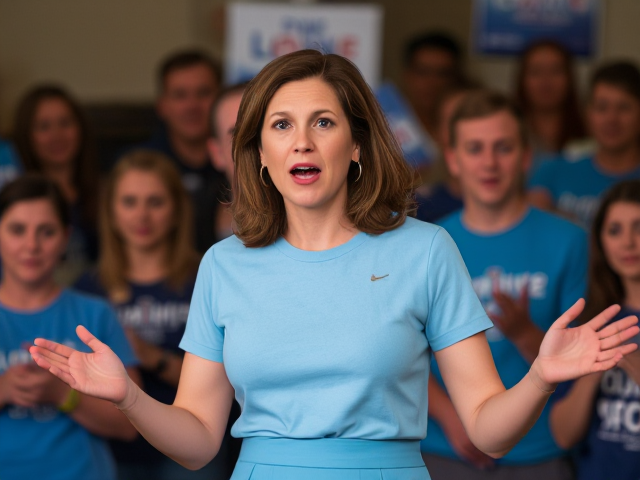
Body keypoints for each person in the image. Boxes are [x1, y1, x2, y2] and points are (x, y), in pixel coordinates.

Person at [29, 50, 639, 480]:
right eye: (281, 125)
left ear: (356, 147)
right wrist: (128, 398)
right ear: (261, 156)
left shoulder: (425, 250)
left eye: (323, 122)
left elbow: (486, 429)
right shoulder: (224, 265)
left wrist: (541, 379)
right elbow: (195, 443)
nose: (302, 141)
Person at [421, 90, 588, 479]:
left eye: (504, 148)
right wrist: (450, 416)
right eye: (475, 148)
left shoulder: (568, 240)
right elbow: (402, 355)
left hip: (539, 450)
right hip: (447, 449)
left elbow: (578, 365)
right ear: (453, 160)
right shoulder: (424, 245)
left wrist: (526, 333)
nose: (490, 163)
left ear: (526, 156)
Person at [75, 150, 236, 479]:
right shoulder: (88, 288)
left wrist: (151, 357)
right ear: (111, 211)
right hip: (112, 450)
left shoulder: (208, 275)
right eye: (129, 202)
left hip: (191, 447)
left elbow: (234, 379)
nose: (142, 215)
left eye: (156, 202)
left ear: (177, 209)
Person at [0, 174, 139, 480]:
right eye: (17, 230)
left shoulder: (95, 313)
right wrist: (3, 389)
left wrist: (63, 393)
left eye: (46, 232)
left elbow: (133, 424)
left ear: (65, 238)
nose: (31, 245)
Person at [550, 180, 640, 480]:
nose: (628, 242)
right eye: (615, 230)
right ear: (600, 241)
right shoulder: (594, 321)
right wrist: (592, 373)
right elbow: (563, 436)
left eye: (638, 227)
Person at [528, 61, 640, 228]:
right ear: (588, 112)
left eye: (623, 108)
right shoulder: (552, 172)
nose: (611, 119)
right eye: (601, 108)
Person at [141, 49, 227, 253]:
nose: (192, 106)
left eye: (203, 93)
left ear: (221, 100)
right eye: (180, 95)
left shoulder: (244, 162)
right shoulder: (139, 167)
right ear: (162, 105)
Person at [13, 85, 100, 285]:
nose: (56, 135)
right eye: (44, 126)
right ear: (27, 136)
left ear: (80, 128)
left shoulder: (107, 193)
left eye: (65, 123)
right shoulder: (14, 201)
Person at [514, 40, 588, 169]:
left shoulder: (590, 130)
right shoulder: (509, 131)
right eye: (536, 72)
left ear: (570, 78)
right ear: (522, 79)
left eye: (555, 71)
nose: (546, 81)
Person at [415, 87, 470, 223]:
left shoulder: (525, 204)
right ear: (436, 133)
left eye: (469, 119)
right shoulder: (419, 208)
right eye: (452, 123)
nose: (463, 133)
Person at [403, 32, 466, 142]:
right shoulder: (387, 127)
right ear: (407, 75)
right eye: (423, 72)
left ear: (456, 77)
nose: (432, 83)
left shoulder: (469, 128)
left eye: (442, 74)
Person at [207, 82, 247, 240]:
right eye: (237, 134)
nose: (253, 141)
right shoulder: (194, 227)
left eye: (261, 128)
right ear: (217, 153)